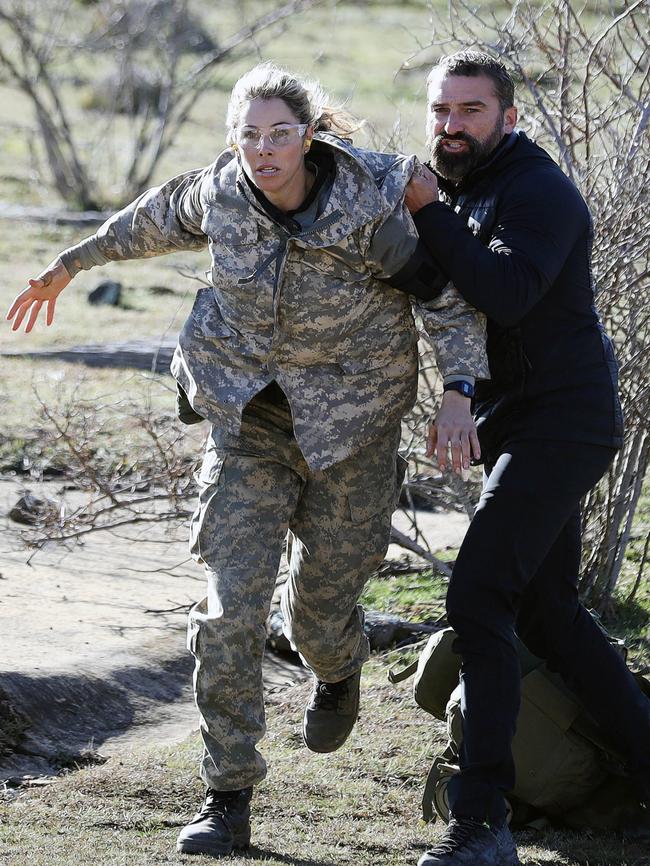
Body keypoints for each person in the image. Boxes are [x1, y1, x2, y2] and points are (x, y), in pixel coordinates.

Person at [7, 63, 487, 858]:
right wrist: (70, 265)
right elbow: (146, 220)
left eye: (280, 134)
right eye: (250, 134)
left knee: (317, 619)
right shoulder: (222, 192)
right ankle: (227, 796)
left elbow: (442, 295)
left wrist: (459, 392)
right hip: (247, 424)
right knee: (230, 611)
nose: (264, 150)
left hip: (352, 430)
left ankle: (339, 666)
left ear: (309, 135)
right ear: (234, 139)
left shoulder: (371, 202)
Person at [404, 50, 650, 866]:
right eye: (442, 110)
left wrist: (428, 213)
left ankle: (482, 822)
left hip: (565, 423)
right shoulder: (464, 187)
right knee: (547, 612)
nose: (451, 125)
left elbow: (505, 291)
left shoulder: (538, 190)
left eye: (470, 111)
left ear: (508, 116)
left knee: (478, 596)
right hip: (523, 424)